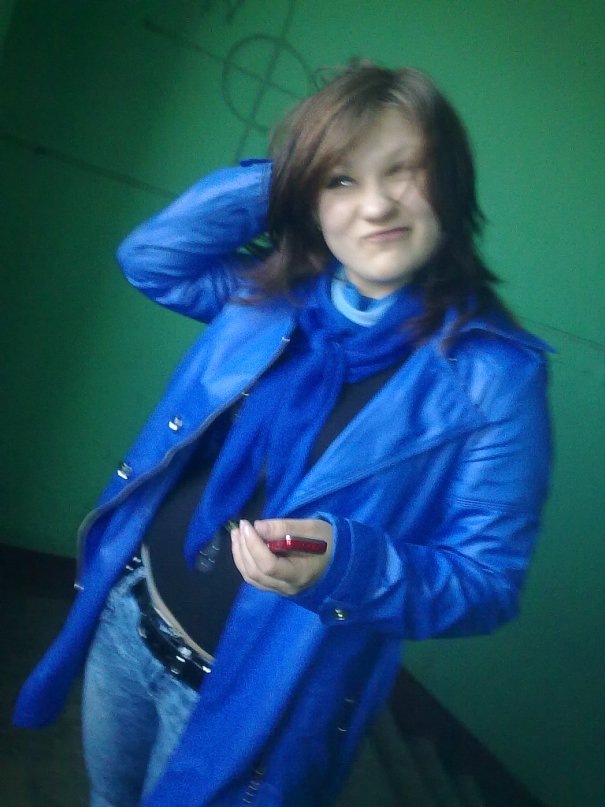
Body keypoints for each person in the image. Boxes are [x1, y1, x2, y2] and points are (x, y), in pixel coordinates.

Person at [13, 61, 552, 806]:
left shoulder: (495, 378)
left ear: (451, 184)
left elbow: (486, 582)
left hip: (252, 709)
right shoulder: (270, 291)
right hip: (131, 617)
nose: (375, 204)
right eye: (341, 179)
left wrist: (348, 565)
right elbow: (153, 259)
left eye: (404, 170)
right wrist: (304, 157)